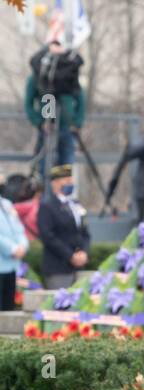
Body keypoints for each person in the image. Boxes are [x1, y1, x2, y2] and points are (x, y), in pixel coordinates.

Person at [24, 39, 85, 180]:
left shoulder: (69, 78)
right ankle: (46, 189)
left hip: (66, 127)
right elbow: (29, 104)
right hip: (47, 125)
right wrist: (40, 122)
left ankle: (60, 191)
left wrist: (76, 122)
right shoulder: (38, 78)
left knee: (65, 164)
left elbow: (80, 100)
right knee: (45, 162)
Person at [36, 164, 91, 290]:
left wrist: (84, 252)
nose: (70, 183)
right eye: (65, 180)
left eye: (70, 180)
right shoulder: (47, 205)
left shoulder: (75, 204)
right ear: (54, 183)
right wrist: (70, 256)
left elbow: (85, 233)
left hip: (78, 266)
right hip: (58, 267)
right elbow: (48, 236)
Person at [0, 192, 28, 311]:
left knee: (8, 310)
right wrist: (12, 248)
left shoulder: (6, 204)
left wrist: (22, 246)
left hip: (11, 267)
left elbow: (19, 229)